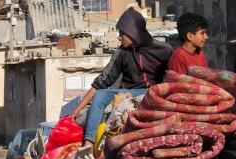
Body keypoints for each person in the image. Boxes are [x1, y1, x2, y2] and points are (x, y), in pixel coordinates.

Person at [69, 7, 172, 150]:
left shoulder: (165, 50)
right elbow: (102, 82)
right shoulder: (122, 52)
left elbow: (173, 78)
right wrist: (76, 111)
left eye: (122, 33)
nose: (119, 37)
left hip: (152, 93)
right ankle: (88, 143)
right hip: (127, 93)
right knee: (100, 95)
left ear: (133, 32)